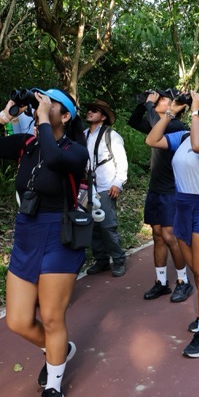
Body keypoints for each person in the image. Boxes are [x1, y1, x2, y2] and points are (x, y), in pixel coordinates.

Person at [0, 88, 89, 397]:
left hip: (59, 237)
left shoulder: (76, 151)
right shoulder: (28, 144)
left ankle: (54, 387)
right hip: (26, 234)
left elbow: (54, 159)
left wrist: (43, 121)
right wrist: (4, 116)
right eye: (39, 102)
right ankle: (59, 350)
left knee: (51, 318)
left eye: (50, 105)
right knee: (18, 320)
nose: (40, 108)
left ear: (65, 116)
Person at [145, 92, 199, 358]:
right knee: (195, 269)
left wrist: (193, 112)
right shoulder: (182, 136)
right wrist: (171, 111)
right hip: (182, 207)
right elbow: (152, 139)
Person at [128, 89, 194, 303]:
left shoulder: (176, 127)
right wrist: (144, 103)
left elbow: (156, 121)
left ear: (177, 106)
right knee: (157, 234)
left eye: (163, 98)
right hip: (156, 188)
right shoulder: (159, 123)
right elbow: (133, 121)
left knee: (169, 236)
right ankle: (161, 282)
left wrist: (149, 105)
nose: (157, 100)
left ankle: (184, 281)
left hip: (171, 189)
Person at [82, 99, 128, 277]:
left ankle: (118, 260)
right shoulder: (84, 134)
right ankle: (101, 261)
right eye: (89, 110)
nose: (89, 112)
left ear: (103, 116)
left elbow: (121, 161)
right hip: (87, 188)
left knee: (107, 226)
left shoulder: (112, 136)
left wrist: (118, 183)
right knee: (92, 226)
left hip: (106, 187)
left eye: (94, 110)